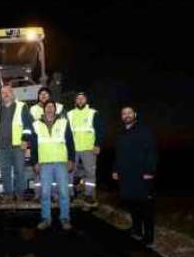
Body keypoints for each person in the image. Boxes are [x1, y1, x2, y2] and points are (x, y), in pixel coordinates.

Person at [113, 106, 158, 248]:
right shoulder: (121, 134)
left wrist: (149, 171)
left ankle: (149, 236)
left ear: (135, 115)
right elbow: (118, 154)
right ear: (122, 117)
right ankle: (137, 230)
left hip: (142, 174)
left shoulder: (144, 131)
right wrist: (115, 170)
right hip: (126, 176)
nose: (126, 115)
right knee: (132, 204)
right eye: (124, 113)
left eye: (129, 113)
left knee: (145, 206)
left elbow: (151, 152)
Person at [31, 101, 75, 230]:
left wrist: (71, 159)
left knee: (63, 192)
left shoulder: (63, 123)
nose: (50, 109)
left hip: (61, 162)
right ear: (44, 110)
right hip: (44, 163)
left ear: (55, 110)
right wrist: (35, 162)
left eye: (52, 107)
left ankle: (65, 218)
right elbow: (34, 146)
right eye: (47, 107)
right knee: (45, 193)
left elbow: (70, 142)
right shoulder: (36, 124)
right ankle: (46, 219)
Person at [0, 85, 33, 201]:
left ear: (12, 93)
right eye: (3, 93)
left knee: (19, 171)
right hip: (2, 145)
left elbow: (27, 125)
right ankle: (8, 194)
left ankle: (19, 194)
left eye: (7, 92)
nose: (5, 94)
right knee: (4, 171)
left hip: (17, 145)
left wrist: (25, 140)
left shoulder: (22, 106)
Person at [67, 91, 105, 206]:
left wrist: (98, 144)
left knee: (90, 173)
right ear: (75, 101)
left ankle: (89, 195)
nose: (80, 100)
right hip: (73, 149)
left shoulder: (93, 113)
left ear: (86, 100)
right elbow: (67, 133)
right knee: (69, 172)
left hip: (88, 148)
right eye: (78, 98)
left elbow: (100, 131)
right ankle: (70, 194)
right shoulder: (69, 114)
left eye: (82, 98)